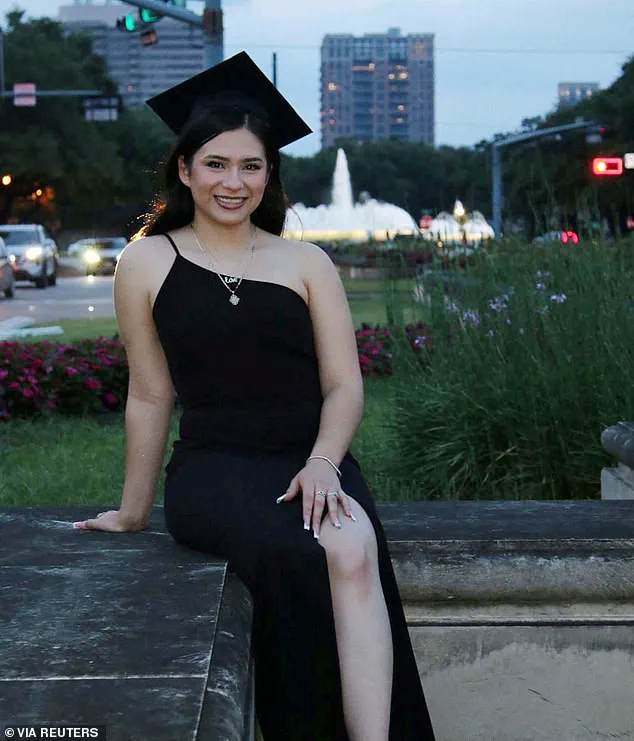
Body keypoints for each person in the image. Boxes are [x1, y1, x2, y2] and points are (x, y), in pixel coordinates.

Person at [73, 52, 436, 741]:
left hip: (311, 457)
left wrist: (325, 463)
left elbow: (343, 385)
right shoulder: (145, 262)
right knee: (296, 555)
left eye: (250, 165)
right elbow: (149, 394)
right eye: (216, 164)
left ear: (269, 173)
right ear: (185, 169)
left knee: (354, 550)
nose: (232, 182)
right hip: (215, 468)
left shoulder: (307, 262)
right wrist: (132, 511)